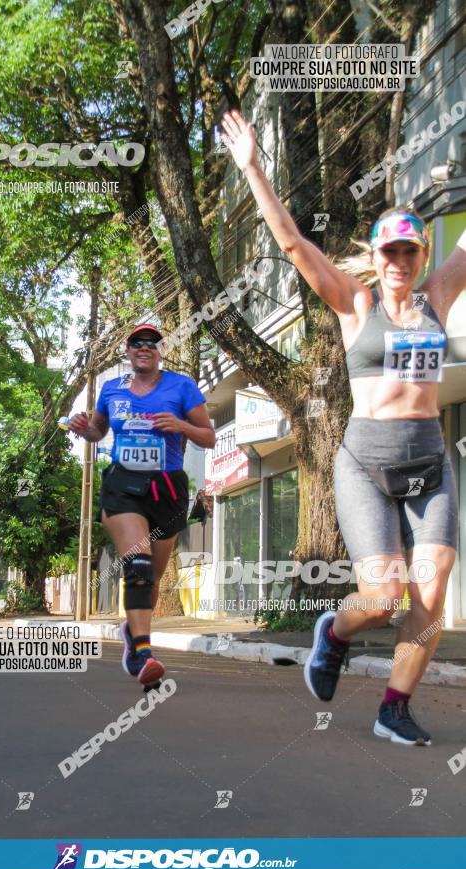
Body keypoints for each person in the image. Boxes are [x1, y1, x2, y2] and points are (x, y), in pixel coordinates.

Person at [222, 108, 466, 746]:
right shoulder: (355, 304)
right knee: (384, 598)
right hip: (365, 465)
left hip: (430, 462)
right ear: (377, 255)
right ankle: (333, 632)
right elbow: (293, 245)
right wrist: (253, 169)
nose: (399, 261)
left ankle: (394, 708)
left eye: (410, 250)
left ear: (422, 253)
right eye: (389, 250)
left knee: (432, 590)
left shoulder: (438, 297)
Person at [67, 324, 215, 687]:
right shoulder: (111, 389)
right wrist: (82, 427)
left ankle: (132, 633)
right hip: (124, 485)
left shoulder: (181, 386)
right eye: (137, 343)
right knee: (139, 564)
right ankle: (144, 655)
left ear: (160, 350)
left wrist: (180, 424)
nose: (144, 348)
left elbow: (208, 436)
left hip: (167, 487)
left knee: (151, 581)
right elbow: (98, 432)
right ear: (128, 350)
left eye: (151, 343)